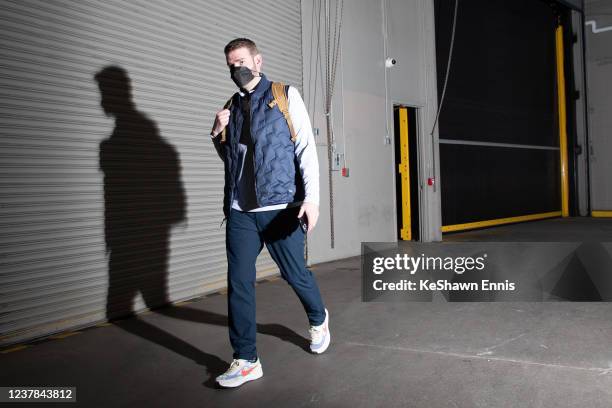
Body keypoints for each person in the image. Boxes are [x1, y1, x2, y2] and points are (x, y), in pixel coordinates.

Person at [209, 38, 330, 388]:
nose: (237, 69)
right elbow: (234, 162)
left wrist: (313, 199)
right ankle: (246, 359)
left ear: (258, 60)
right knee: (239, 283)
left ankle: (318, 317)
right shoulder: (230, 107)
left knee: (295, 274)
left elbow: (306, 147)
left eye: (242, 61)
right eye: (231, 64)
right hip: (240, 211)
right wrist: (218, 134)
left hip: (280, 207)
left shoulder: (284, 96)